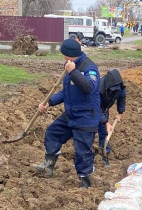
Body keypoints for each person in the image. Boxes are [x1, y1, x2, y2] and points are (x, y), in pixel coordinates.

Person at [33, 38, 101, 189]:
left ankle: (85, 181)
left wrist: (73, 72)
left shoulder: (89, 68)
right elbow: (66, 92)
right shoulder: (69, 66)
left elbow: (88, 87)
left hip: (86, 117)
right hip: (71, 114)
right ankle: (48, 166)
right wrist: (49, 102)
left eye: (64, 55)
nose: (62, 57)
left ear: (68, 54)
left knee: (82, 151)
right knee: (53, 133)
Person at [98, 69, 126, 167]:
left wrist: (120, 112)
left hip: (104, 108)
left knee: (104, 133)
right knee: (88, 132)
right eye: (112, 89)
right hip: (90, 109)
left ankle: (105, 154)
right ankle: (85, 156)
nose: (114, 91)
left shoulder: (120, 88)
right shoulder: (98, 87)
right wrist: (106, 123)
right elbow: (95, 107)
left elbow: (121, 98)